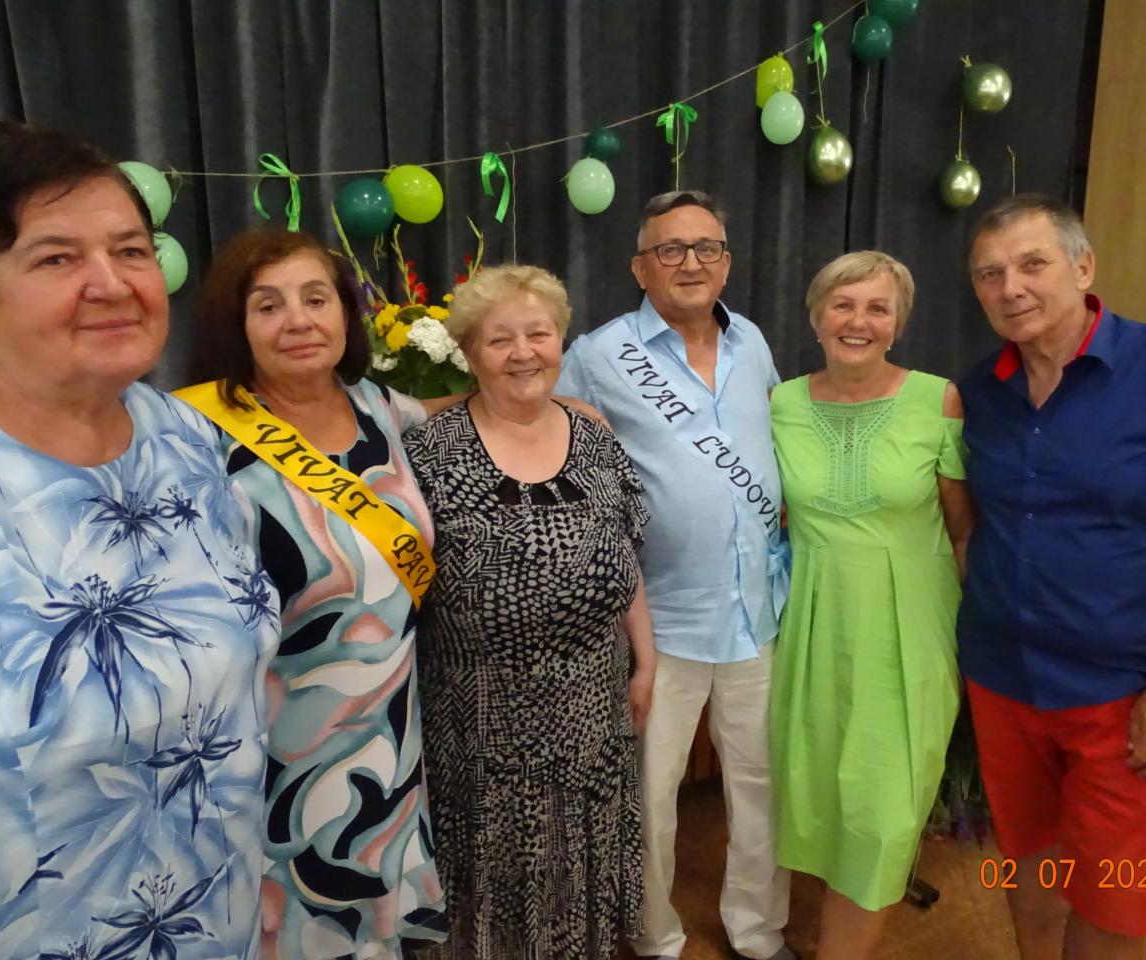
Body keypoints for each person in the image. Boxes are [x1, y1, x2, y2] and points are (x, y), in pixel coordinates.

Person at [0, 121, 279, 957]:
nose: (110, 283)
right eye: (56, 258)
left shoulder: (184, 437)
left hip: (216, 921)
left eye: (131, 251)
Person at [957, 194, 1146, 959]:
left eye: (1032, 264)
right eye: (990, 273)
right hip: (1003, 681)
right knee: (1029, 871)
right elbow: (972, 528)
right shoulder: (979, 391)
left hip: (1126, 692)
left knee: (1115, 899)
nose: (1010, 287)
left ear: (1083, 267)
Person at [180, 229, 448, 959]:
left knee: (375, 916)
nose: (297, 320)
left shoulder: (378, 406)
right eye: (268, 306)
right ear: (236, 325)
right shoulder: (195, 431)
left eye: (316, 299)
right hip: (274, 743)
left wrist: (552, 402)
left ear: (345, 314)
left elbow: (455, 406)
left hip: (388, 729)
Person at [555, 191, 794, 960]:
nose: (690, 262)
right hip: (658, 625)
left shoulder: (752, 341)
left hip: (757, 613)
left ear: (726, 261)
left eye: (706, 248)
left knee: (762, 791)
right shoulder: (600, 355)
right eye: (671, 249)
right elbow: (552, 448)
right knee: (649, 799)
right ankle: (656, 939)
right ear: (640, 267)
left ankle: (758, 932)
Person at [402, 264, 655, 960]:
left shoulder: (596, 439)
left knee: (580, 886)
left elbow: (625, 551)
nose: (523, 353)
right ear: (469, 353)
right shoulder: (428, 451)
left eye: (539, 334)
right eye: (499, 339)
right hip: (477, 728)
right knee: (488, 901)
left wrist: (646, 658)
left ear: (560, 340)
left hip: (591, 715)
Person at [768, 251, 973, 960]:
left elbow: (964, 528)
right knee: (822, 796)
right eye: (843, 304)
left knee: (885, 810)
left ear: (898, 323)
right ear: (816, 317)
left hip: (909, 627)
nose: (859, 321)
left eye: (877, 308)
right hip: (812, 625)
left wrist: (978, 637)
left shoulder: (937, 400)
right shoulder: (781, 404)